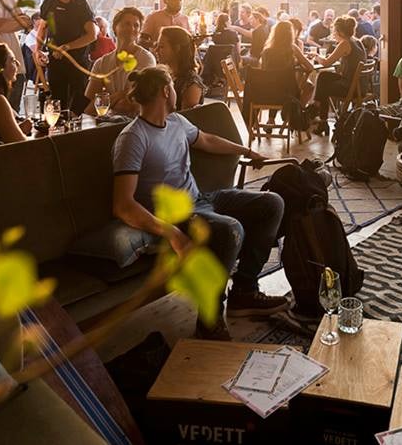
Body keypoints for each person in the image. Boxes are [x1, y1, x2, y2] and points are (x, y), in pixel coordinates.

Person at [111, 65, 288, 339]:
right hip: (175, 215)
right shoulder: (133, 138)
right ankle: (209, 319)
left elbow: (206, 140)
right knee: (231, 229)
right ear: (164, 91)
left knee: (272, 203)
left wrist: (247, 151)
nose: (176, 91)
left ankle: (244, 291)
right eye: (172, 86)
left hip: (201, 199)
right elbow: (122, 204)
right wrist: (172, 234)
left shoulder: (176, 122)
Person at [34, 0, 98, 114]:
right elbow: (42, 30)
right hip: (55, 63)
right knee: (57, 103)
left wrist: (67, 47)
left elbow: (92, 35)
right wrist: (38, 51)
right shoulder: (49, 3)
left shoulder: (80, 5)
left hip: (78, 62)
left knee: (78, 105)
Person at [85, 7, 156, 116]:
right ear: (115, 28)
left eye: (136, 25)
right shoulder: (102, 63)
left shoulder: (146, 59)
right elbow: (89, 104)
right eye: (126, 24)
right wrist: (119, 95)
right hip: (108, 123)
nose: (131, 28)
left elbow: (132, 105)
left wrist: (106, 100)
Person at [308, 16, 366, 135]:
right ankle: (317, 110)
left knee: (323, 87)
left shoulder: (344, 43)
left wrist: (315, 55)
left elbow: (326, 62)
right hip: (360, 85)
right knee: (323, 76)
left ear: (339, 31)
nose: (333, 34)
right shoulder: (357, 41)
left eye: (334, 31)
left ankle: (320, 118)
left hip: (351, 87)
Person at [156, 25, 205, 110]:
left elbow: (185, 120)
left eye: (161, 47)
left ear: (176, 49)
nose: (156, 50)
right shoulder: (169, 75)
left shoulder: (191, 84)